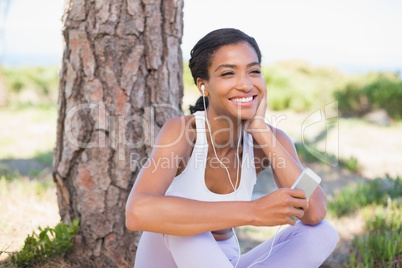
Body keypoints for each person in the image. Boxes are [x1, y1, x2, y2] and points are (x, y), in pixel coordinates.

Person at [126, 28, 338, 268]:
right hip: (167, 257)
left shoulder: (273, 138)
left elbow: (315, 212)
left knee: (323, 233)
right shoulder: (183, 133)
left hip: (223, 261)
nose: (246, 84)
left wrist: (261, 132)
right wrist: (254, 211)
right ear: (203, 85)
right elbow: (137, 212)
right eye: (228, 73)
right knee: (176, 207)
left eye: (254, 71)